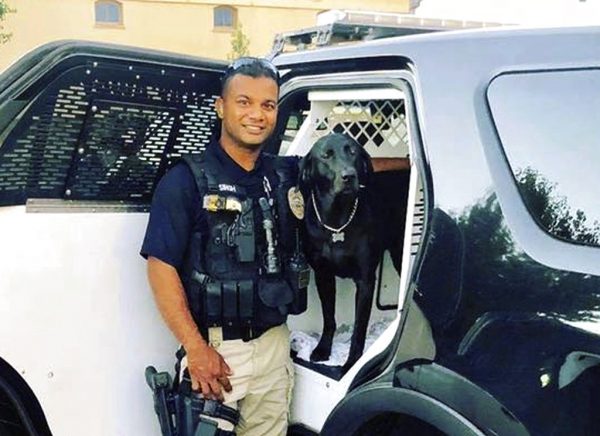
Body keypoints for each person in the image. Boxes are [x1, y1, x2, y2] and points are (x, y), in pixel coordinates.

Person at [140, 57, 308, 435]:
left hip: (274, 347)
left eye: (268, 105)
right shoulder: (185, 180)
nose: (257, 115)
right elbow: (160, 266)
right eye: (244, 102)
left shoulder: (282, 174)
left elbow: (344, 168)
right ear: (221, 107)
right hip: (216, 354)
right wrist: (195, 348)